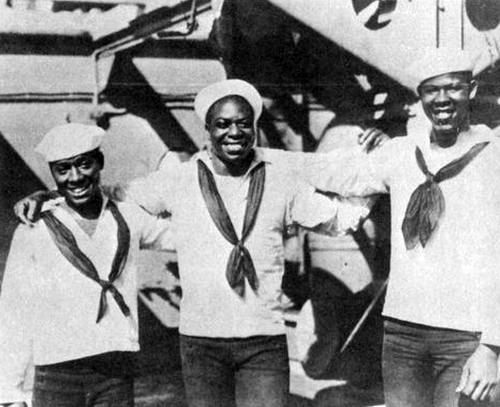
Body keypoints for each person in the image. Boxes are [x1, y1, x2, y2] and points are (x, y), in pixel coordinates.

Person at [14, 79, 383, 407]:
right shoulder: (179, 180)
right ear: (207, 130)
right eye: (223, 124)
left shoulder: (280, 178)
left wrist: (375, 184)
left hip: (263, 341)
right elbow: (114, 194)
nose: (234, 133)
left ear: (254, 128)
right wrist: (52, 196)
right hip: (201, 345)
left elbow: (338, 221)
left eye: (243, 124)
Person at [304, 47, 500, 406]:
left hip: (465, 338)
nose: (442, 99)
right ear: (420, 97)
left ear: (471, 90)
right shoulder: (402, 154)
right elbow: (341, 175)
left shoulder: (493, 157)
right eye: (431, 90)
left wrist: (492, 348)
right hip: (403, 336)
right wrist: (267, 159)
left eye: (454, 88)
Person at [0, 123, 172, 407]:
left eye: (84, 164)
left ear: (100, 162)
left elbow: (187, 234)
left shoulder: (128, 215)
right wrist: (9, 392)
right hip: (57, 375)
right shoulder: (34, 228)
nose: (75, 177)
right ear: (53, 173)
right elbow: (14, 311)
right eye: (63, 169)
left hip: (114, 372)